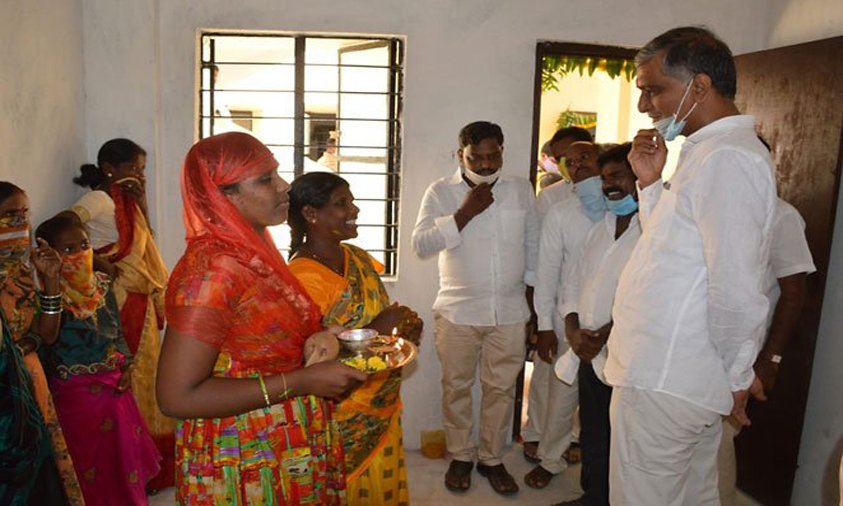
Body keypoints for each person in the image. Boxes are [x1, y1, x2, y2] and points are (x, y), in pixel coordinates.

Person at [607, 26, 776, 504]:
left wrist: (740, 377)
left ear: (699, 87)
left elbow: (737, 289)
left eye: (653, 90)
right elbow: (672, 252)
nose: (645, 106)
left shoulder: (727, 160)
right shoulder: (705, 154)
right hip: (679, 379)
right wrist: (649, 184)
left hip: (668, 380)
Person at [156, 131, 367, 504]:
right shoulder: (213, 272)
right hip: (242, 452)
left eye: (277, 174)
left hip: (285, 435)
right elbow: (176, 397)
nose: (285, 188)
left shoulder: (252, 255)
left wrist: (323, 335)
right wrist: (302, 380)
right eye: (266, 179)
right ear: (223, 195)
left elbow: (261, 337)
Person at [411, 121, 538, 496]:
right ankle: (461, 456)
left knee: (501, 390)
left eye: (492, 156)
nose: (485, 165)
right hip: (458, 310)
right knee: (457, 387)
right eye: (475, 157)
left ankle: (493, 459)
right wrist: (464, 213)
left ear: (502, 150)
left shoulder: (519, 189)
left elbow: (532, 245)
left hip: (511, 310)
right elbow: (421, 244)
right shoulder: (441, 191)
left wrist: (533, 307)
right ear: (460, 155)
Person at [287, 171, 423, 505]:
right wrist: (378, 329)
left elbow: (380, 312)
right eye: (342, 204)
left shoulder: (357, 257)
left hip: (381, 400)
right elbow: (306, 358)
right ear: (310, 214)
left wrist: (403, 327)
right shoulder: (302, 277)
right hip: (340, 411)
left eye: (352, 201)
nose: (355, 210)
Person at [66, 138, 175, 489]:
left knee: (147, 374)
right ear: (110, 169)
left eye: (143, 169)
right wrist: (94, 260)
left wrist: (141, 200)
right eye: (134, 168)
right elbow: (62, 226)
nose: (140, 175)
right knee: (129, 375)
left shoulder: (126, 201)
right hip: (117, 298)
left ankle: (148, 464)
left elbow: (147, 244)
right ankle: (130, 464)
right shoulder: (99, 199)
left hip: (137, 296)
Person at [35, 215, 162, 505]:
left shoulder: (101, 283)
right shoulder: (46, 296)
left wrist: (127, 365)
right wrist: (53, 282)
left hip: (114, 384)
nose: (79, 253)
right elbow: (49, 338)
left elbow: (116, 329)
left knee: (122, 456)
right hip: (75, 395)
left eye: (84, 244)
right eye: (68, 249)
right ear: (49, 254)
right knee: (87, 461)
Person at [552, 143, 641, 506]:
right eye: (605, 178)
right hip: (588, 350)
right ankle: (593, 497)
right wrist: (574, 332)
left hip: (627, 355)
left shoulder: (654, 231)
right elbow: (573, 284)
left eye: (618, 176)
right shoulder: (599, 230)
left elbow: (648, 298)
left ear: (641, 178)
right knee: (593, 432)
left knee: (626, 440)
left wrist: (603, 335)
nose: (609, 185)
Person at [717, 197, 815, 506]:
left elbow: (794, 293)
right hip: (700, 347)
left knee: (717, 444)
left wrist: (770, 360)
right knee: (692, 446)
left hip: (740, 355)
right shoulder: (716, 207)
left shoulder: (782, 217)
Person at [523, 141, 604, 490]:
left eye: (586, 156)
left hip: (615, 325)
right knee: (561, 397)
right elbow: (546, 274)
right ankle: (550, 458)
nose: (578, 164)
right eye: (570, 162)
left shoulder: (627, 210)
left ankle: (601, 470)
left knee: (606, 404)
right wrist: (545, 327)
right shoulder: (561, 213)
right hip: (567, 322)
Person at [0, 181, 84, 505]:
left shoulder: (19, 274)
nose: (21, 224)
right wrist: (22, 347)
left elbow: (46, 335)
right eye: (9, 215)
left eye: (24, 214)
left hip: (32, 386)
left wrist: (51, 281)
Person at [535, 127, 594, 218]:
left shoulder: (613, 186)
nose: (567, 162)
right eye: (559, 159)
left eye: (580, 157)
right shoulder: (550, 196)